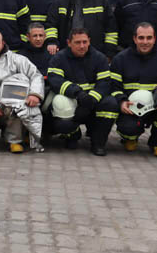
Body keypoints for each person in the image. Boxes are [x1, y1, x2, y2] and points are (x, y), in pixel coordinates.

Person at [46, 27, 118, 156]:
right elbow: (56, 81)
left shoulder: (99, 58)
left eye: (85, 42)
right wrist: (78, 94)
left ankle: (98, 143)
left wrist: (91, 100)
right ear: (69, 43)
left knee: (110, 104)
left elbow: (105, 83)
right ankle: (72, 134)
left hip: (92, 101)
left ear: (89, 41)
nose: (82, 46)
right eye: (77, 42)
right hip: (71, 99)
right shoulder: (59, 58)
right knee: (60, 111)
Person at [112, 22, 157, 155]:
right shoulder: (120, 59)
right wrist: (122, 101)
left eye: (149, 38)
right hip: (131, 107)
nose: (145, 42)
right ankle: (130, 138)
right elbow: (114, 86)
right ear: (134, 39)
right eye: (141, 38)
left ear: (154, 39)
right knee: (128, 129)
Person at [46, 0, 117, 56]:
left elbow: (111, 29)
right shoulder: (61, 1)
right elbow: (51, 24)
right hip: (66, 54)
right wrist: (52, 42)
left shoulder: (101, 0)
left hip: (96, 54)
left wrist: (109, 52)